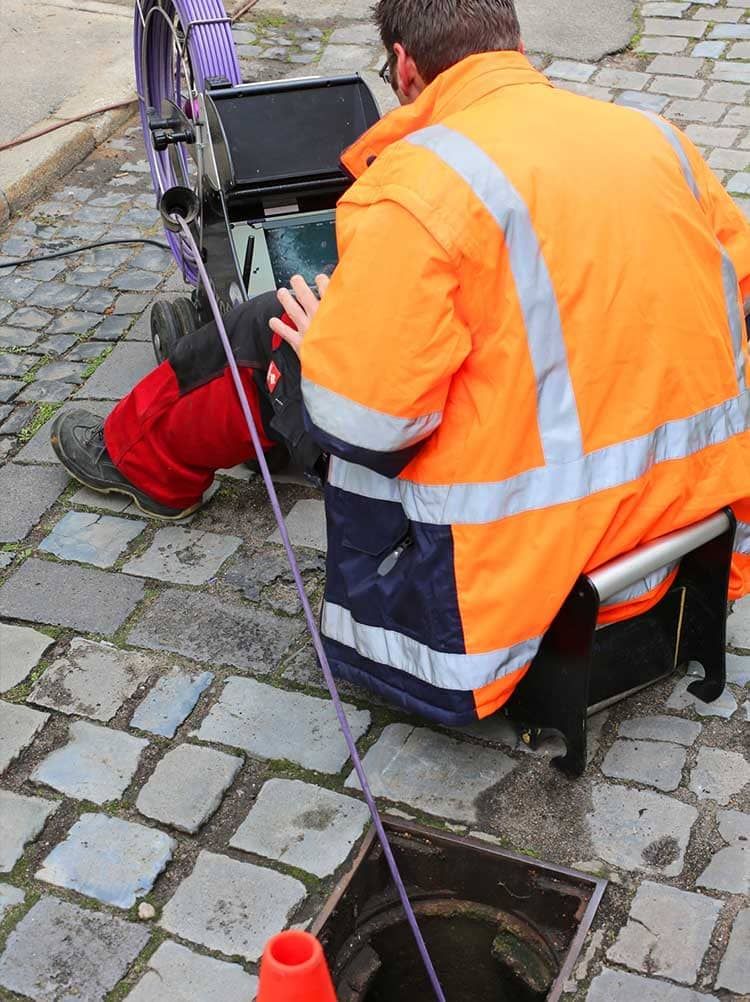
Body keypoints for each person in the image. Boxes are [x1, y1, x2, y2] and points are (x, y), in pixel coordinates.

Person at [52, 0, 750, 727]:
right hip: (684, 545)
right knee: (291, 324)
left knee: (272, 326)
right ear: (512, 42)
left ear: (406, 66)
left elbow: (369, 425)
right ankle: (148, 448)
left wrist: (327, 338)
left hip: (508, 601)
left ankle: (142, 460)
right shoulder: (654, 137)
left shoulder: (420, 185)